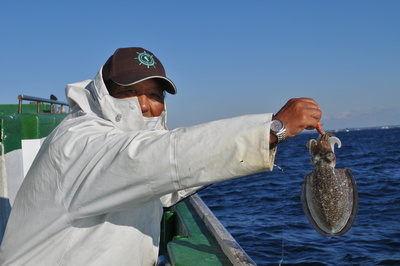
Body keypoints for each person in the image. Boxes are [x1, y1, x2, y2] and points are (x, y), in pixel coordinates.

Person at [0, 47, 321, 265]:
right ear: (102, 93)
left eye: (155, 95)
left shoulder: (129, 152)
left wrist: (252, 150)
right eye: (129, 91)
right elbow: (143, 159)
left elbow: (162, 179)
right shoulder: (77, 142)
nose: (145, 105)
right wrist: (270, 129)